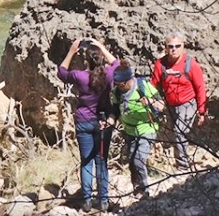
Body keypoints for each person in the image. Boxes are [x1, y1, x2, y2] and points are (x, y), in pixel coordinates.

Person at [58, 38, 118, 213]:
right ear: (101, 59)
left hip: (83, 121)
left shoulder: (79, 76)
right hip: (103, 123)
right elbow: (116, 63)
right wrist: (102, 46)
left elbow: (61, 72)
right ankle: (103, 201)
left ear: (86, 61)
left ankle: (86, 201)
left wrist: (71, 51)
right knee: (102, 161)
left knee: (86, 162)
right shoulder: (108, 74)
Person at [149, 32, 207, 172]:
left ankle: (183, 165)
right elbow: (152, 85)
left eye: (177, 46)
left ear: (183, 47)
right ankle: (180, 161)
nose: (174, 49)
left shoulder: (191, 64)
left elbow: (200, 87)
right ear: (166, 48)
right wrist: (153, 100)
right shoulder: (160, 64)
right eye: (170, 46)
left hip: (188, 103)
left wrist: (202, 111)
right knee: (174, 133)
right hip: (170, 105)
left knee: (179, 132)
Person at [111, 60, 162, 199]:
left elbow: (162, 105)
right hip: (129, 131)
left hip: (147, 127)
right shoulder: (116, 92)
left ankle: (145, 191)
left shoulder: (143, 86)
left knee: (138, 160)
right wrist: (111, 119)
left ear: (129, 80)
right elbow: (115, 110)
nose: (119, 87)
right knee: (132, 161)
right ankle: (137, 190)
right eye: (117, 84)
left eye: (121, 84)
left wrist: (150, 102)